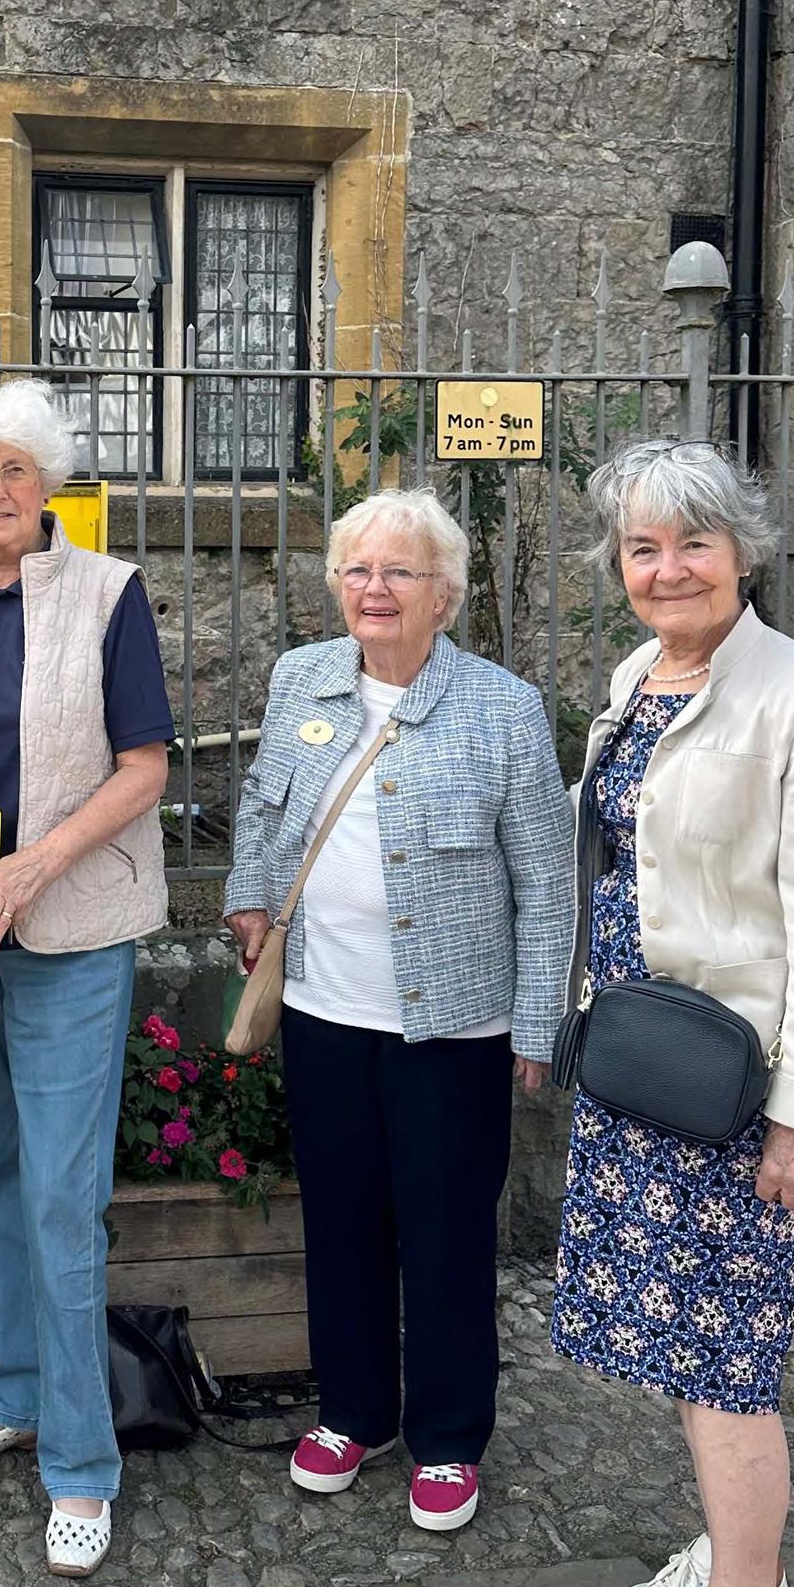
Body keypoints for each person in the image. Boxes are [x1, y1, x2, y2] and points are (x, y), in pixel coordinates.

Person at [553, 439, 794, 1587]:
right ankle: (737, 1564)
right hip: (645, 1067)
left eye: (692, 542)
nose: (667, 568)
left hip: (740, 1089)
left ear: (743, 551)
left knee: (728, 1363)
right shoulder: (639, 678)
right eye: (643, 547)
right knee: (684, 1351)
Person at [227, 488, 574, 1530]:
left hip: (453, 1027)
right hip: (326, 1011)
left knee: (446, 1231)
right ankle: (355, 1410)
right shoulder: (303, 678)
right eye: (357, 570)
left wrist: (536, 1020)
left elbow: (548, 877)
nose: (373, 589)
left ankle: (451, 1433)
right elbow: (261, 798)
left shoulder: (503, 707)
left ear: (446, 595)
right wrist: (249, 889)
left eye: (399, 572)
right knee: (340, 1221)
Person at [0, 380, 173, 1579]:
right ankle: (15, 1389)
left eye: (15, 469)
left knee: (65, 1194)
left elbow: (145, 767)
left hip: (68, 923)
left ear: (49, 481)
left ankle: (82, 1460)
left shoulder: (109, 592)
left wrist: (39, 863)